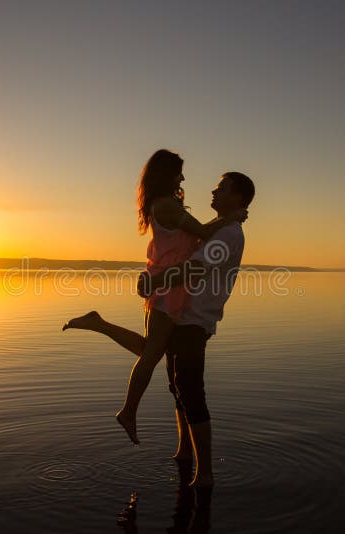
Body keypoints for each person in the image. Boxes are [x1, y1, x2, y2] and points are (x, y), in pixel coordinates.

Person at [62, 150, 246, 445]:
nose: (183, 178)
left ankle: (99, 324)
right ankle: (128, 411)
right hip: (168, 286)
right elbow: (201, 232)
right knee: (150, 356)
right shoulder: (165, 206)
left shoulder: (167, 204)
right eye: (179, 173)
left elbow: (196, 239)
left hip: (168, 284)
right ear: (166, 174)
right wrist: (229, 218)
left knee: (150, 350)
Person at [138, 171, 255, 488]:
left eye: (222, 188)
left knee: (190, 389)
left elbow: (196, 267)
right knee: (178, 387)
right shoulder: (220, 228)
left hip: (195, 320)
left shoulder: (230, 234)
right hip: (180, 315)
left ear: (238, 196)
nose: (214, 191)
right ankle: (184, 453)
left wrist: (154, 281)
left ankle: (204, 475)